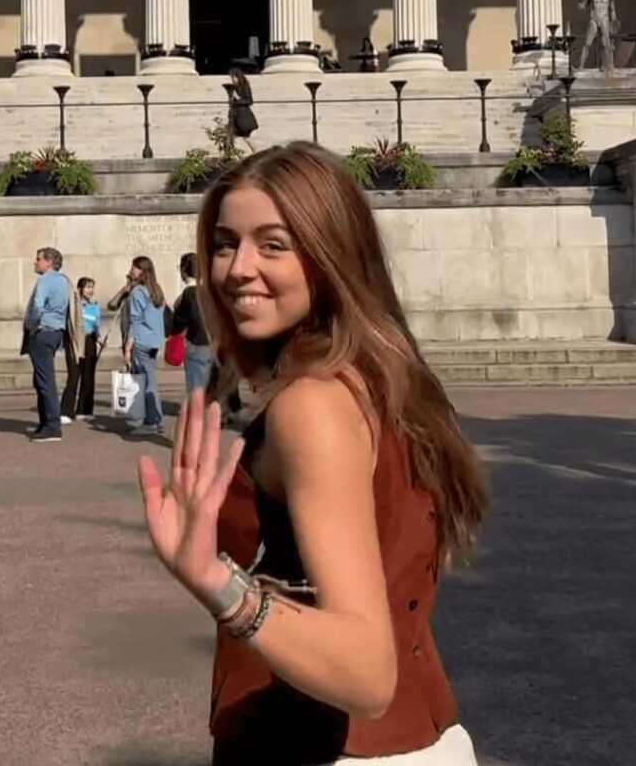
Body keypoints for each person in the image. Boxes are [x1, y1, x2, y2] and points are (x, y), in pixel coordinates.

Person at [137, 142, 487, 765]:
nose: (238, 268)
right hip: (423, 736)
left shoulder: (312, 404)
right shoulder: (382, 374)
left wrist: (221, 586)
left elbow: (365, 673)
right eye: (224, 243)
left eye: (274, 244)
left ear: (330, 254)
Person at [22, 247, 68, 442]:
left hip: (43, 332)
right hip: (56, 332)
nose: (35, 262)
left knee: (45, 380)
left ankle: (51, 425)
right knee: (42, 378)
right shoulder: (63, 280)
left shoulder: (45, 280)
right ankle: (45, 422)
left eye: (39, 259)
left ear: (49, 262)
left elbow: (38, 307)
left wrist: (31, 326)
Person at [124, 256, 166, 437]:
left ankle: (151, 420)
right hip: (154, 340)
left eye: (134, 267)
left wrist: (128, 345)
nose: (132, 270)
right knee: (151, 380)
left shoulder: (138, 292)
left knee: (145, 382)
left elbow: (135, 320)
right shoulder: (156, 290)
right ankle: (154, 418)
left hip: (141, 339)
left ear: (141, 271)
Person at [171, 253, 213, 396]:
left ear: (184, 270)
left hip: (196, 343)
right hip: (214, 343)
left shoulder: (189, 293)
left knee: (196, 389)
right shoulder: (210, 290)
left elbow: (181, 320)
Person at [62, 277, 100, 423]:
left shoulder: (95, 306)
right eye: (87, 287)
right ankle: (66, 410)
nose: (90, 290)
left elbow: (96, 325)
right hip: (76, 340)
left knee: (88, 376)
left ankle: (85, 409)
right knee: (74, 375)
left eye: (92, 287)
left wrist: (99, 338)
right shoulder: (75, 306)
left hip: (90, 340)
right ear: (80, 289)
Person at [228, 67, 258, 154]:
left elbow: (249, 100)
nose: (233, 80)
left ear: (238, 77)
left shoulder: (244, 86)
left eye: (234, 77)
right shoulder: (235, 88)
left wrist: (238, 99)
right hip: (237, 117)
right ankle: (231, 154)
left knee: (246, 138)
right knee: (230, 137)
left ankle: (256, 153)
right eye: (232, 78)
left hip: (244, 118)